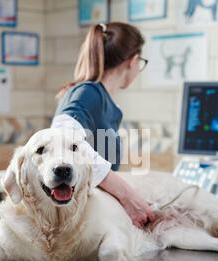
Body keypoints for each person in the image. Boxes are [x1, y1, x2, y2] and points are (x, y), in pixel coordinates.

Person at [51, 22, 155, 229]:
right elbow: (60, 140)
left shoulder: (102, 100)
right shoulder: (88, 93)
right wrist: (127, 196)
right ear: (132, 61)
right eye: (141, 62)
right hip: (78, 224)